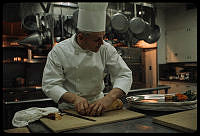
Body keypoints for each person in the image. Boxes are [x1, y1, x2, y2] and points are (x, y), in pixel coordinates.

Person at [42, 2, 132, 117]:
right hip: (70, 111)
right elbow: (50, 84)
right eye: (97, 40)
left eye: (103, 37)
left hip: (100, 106)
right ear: (81, 37)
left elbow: (124, 75)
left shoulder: (106, 49)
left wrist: (109, 98)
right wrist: (74, 99)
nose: (102, 43)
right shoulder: (59, 51)